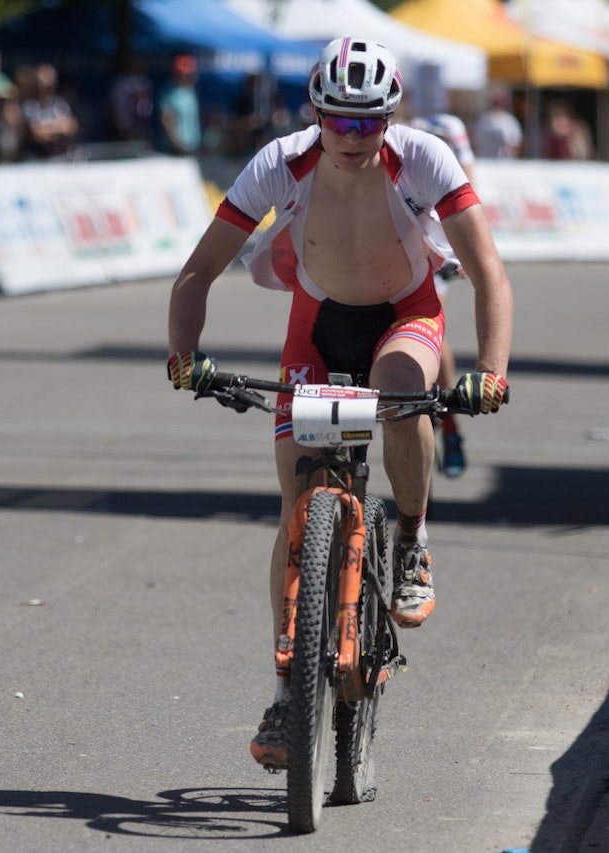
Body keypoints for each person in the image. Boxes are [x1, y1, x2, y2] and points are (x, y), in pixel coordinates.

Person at [166, 36, 512, 771]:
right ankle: (287, 692)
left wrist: (490, 371)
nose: (354, 136)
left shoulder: (425, 159)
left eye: (370, 122)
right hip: (317, 325)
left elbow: (489, 274)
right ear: (316, 114)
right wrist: (184, 356)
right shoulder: (279, 163)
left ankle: (412, 542)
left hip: (404, 315)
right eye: (339, 121)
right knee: (294, 508)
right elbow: (197, 271)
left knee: (399, 390)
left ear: (391, 118)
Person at [408, 111, 477, 478]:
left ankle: (450, 426)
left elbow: (468, 188)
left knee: (431, 332)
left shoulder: (451, 125)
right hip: (403, 237)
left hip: (438, 237)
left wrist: (461, 250)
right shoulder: (387, 119)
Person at [21, 62, 79, 159]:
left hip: (60, 156)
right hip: (36, 157)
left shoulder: (60, 104)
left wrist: (47, 128)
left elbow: (71, 128)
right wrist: (59, 127)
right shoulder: (29, 106)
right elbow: (38, 135)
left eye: (51, 85)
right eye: (44, 86)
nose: (47, 90)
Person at [158, 54, 201, 156]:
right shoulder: (168, 92)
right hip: (176, 149)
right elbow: (167, 121)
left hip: (192, 145)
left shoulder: (190, 90)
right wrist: (177, 145)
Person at [474, 88, 522, 159]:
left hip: (504, 161)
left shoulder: (510, 121)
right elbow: (477, 143)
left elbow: (515, 144)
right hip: (486, 160)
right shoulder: (484, 119)